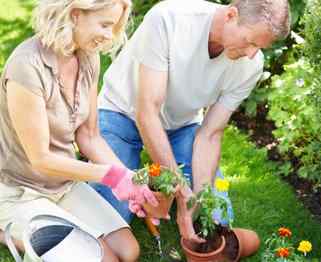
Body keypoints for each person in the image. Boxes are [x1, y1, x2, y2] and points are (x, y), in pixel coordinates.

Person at [92, 0, 290, 243]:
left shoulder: (251, 65)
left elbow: (210, 134)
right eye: (249, 41)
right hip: (121, 113)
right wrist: (179, 189)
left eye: (259, 47)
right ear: (231, 15)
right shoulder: (169, 19)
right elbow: (147, 113)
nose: (251, 54)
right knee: (109, 219)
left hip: (180, 125)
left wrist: (195, 197)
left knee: (216, 217)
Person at [0, 0, 158, 261]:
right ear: (75, 15)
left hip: (63, 183)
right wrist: (110, 176)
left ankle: (38, 231)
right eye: (105, 24)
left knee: (128, 252)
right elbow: (41, 159)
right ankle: (7, 229)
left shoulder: (87, 57)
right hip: (19, 189)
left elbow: (89, 135)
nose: (110, 35)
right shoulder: (26, 66)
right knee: (103, 258)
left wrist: (129, 180)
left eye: (114, 26)